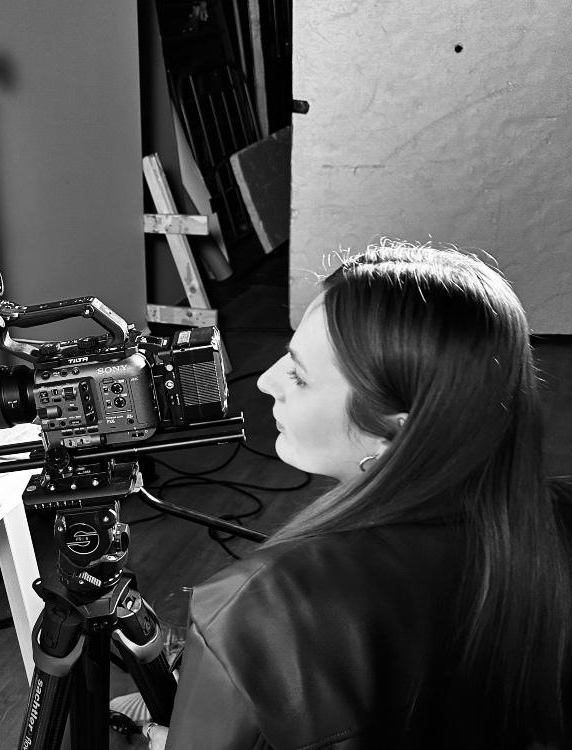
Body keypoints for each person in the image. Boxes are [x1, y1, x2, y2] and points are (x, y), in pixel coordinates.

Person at [144, 241, 571, 749]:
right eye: (288, 354)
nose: (263, 381)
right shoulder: (557, 520)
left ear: (397, 430)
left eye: (299, 376)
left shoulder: (260, 603)